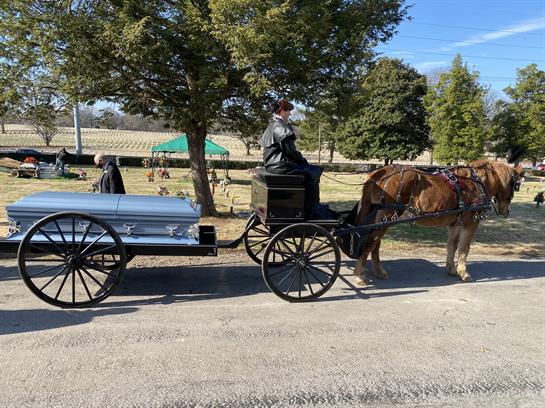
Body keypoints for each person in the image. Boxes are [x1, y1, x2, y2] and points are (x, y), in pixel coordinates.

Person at [261, 99, 328, 218]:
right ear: (282, 111)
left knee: (309, 170)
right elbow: (290, 151)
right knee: (314, 172)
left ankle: (309, 206)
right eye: (288, 111)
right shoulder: (280, 126)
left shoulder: (272, 125)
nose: (290, 114)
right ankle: (312, 209)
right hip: (281, 166)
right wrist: (303, 160)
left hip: (272, 165)